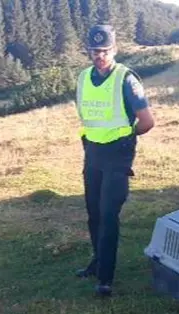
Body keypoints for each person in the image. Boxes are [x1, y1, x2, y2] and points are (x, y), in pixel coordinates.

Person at [74, 24, 155, 297]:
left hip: (117, 155)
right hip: (93, 153)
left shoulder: (126, 79)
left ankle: (106, 278)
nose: (100, 55)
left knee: (109, 215)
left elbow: (147, 121)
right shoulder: (84, 77)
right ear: (88, 51)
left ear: (115, 50)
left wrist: (125, 138)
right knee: (94, 213)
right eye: (95, 50)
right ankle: (97, 262)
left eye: (105, 50)